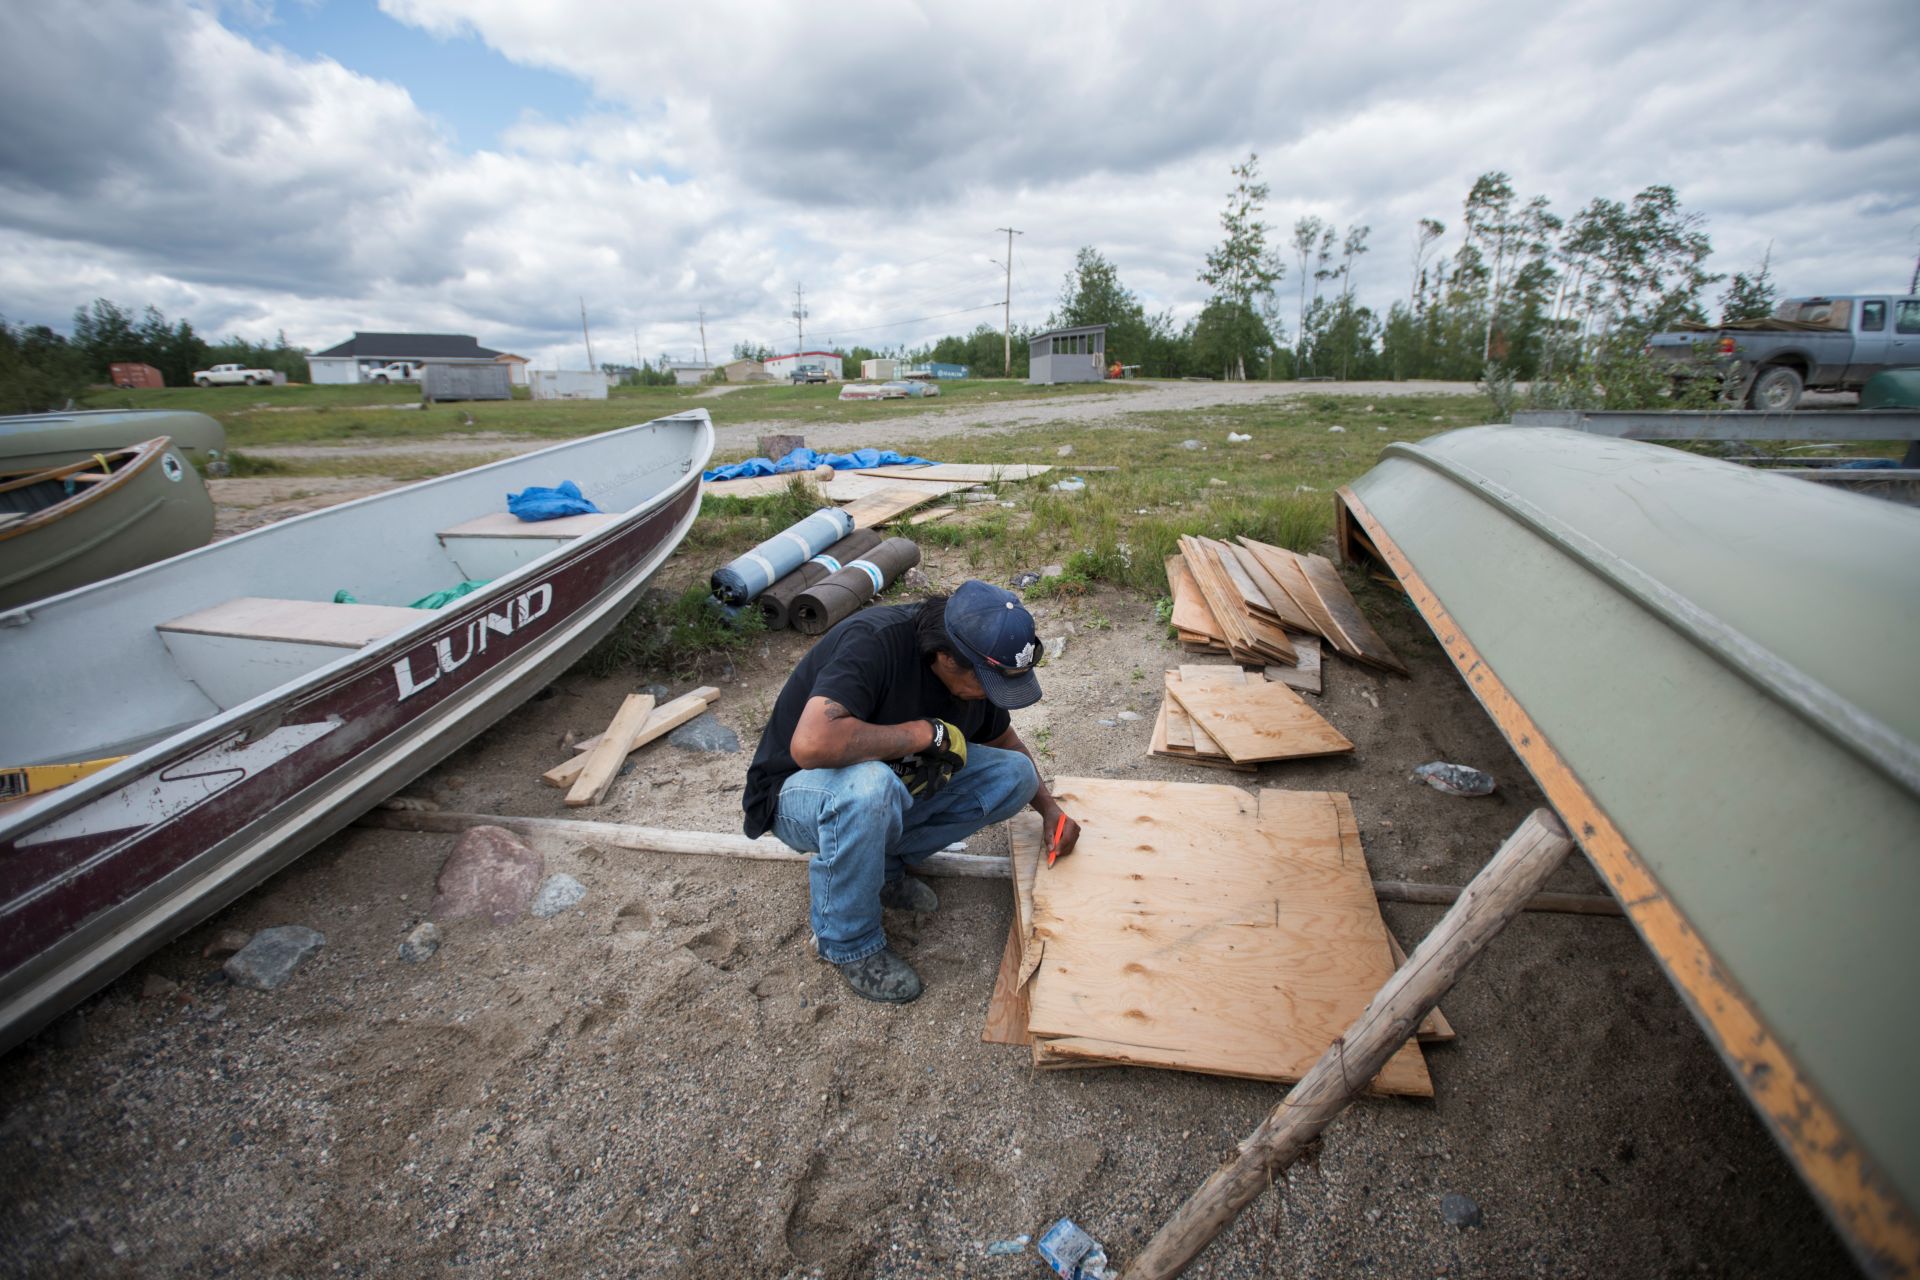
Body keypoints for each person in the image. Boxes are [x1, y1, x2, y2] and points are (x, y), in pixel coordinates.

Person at [741, 580, 1081, 1003]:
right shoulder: (875, 643)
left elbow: (1004, 741)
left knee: (1015, 775)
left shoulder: (975, 660)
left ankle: (882, 866)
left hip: (883, 793)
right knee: (870, 788)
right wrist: (921, 734)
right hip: (797, 794)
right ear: (946, 658)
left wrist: (1049, 809)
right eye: (989, 684)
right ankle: (848, 942)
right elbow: (811, 745)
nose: (992, 697)